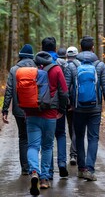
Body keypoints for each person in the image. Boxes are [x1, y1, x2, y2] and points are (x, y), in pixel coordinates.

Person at [24, 51, 68, 196]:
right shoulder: (56, 69)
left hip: (31, 114)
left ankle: (34, 172)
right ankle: (44, 180)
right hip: (50, 114)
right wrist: (62, 109)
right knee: (47, 146)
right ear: (50, 59)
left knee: (33, 146)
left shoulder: (30, 70)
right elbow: (64, 92)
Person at [74, 35, 105, 181]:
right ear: (92, 48)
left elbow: (67, 87)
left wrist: (68, 106)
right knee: (93, 138)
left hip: (77, 108)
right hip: (95, 109)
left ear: (80, 48)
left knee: (79, 137)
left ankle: (81, 168)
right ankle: (90, 170)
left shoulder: (73, 65)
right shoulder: (100, 65)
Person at [2, 44, 36, 175]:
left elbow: (9, 90)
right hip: (34, 109)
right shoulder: (37, 67)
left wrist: (5, 110)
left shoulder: (14, 69)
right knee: (33, 138)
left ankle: (25, 168)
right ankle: (34, 167)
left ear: (21, 56)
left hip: (19, 109)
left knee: (23, 138)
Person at [42, 37, 68, 178]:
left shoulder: (37, 63)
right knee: (61, 134)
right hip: (57, 107)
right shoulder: (60, 63)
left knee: (47, 140)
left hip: (42, 107)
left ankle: (49, 171)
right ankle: (62, 163)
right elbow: (65, 87)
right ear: (55, 48)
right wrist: (63, 108)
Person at [65, 46, 80, 165]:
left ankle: (73, 154)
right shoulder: (81, 65)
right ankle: (76, 152)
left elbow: (66, 86)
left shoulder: (66, 66)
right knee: (77, 128)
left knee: (72, 127)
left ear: (67, 55)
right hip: (81, 103)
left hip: (70, 104)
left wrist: (68, 103)